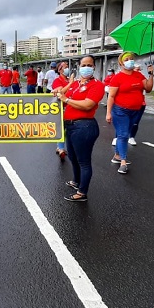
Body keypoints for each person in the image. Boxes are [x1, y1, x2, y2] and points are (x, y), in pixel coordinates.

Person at [54, 55, 105, 202]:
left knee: (83, 161)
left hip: (84, 127)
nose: (86, 67)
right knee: (73, 157)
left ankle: (82, 193)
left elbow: (88, 105)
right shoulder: (76, 84)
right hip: (71, 126)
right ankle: (76, 182)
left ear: (94, 67)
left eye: (89, 65)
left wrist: (66, 99)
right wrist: (64, 89)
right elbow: (61, 98)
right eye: (83, 65)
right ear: (79, 67)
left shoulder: (97, 85)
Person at [106, 52, 154, 174]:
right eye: (127, 59)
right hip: (120, 110)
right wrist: (108, 113)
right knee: (123, 135)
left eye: (131, 59)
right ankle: (123, 162)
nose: (130, 61)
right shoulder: (117, 78)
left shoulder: (139, 75)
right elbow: (111, 96)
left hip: (135, 110)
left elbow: (148, 88)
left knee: (125, 133)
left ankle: (117, 155)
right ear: (121, 63)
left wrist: (151, 74)